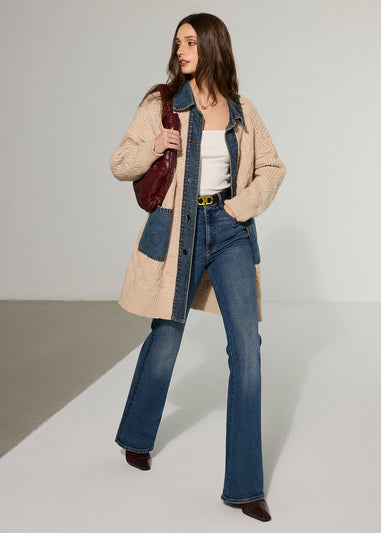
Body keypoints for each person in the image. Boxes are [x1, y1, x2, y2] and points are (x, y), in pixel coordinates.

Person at [109, 12, 286, 523]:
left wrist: (242, 206)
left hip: (229, 231)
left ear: (212, 46)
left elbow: (273, 167)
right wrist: (153, 146)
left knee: (247, 349)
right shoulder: (162, 106)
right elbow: (120, 163)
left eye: (190, 42)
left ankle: (244, 487)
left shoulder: (242, 111)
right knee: (166, 336)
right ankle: (136, 434)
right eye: (178, 43)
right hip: (179, 232)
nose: (181, 50)